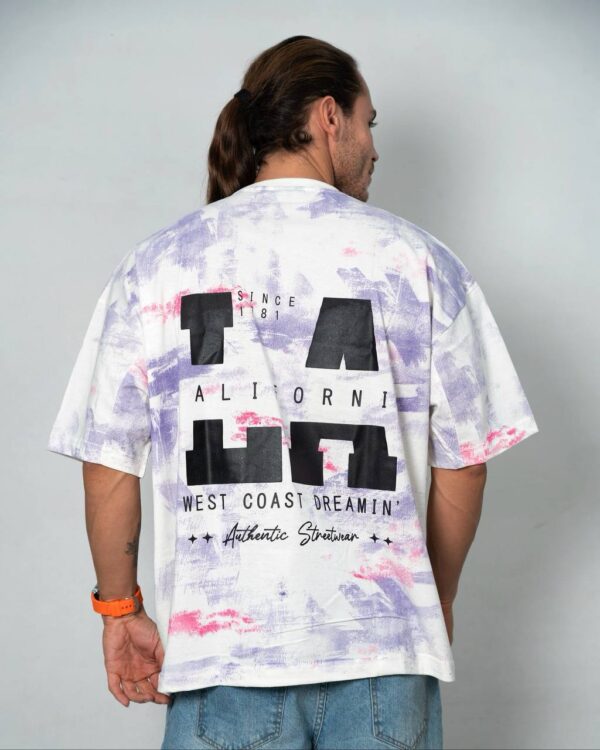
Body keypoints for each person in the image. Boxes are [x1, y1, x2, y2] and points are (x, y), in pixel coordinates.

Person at [47, 35, 539, 750]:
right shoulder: (422, 262)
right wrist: (430, 600)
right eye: (370, 122)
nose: (375, 147)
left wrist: (119, 610)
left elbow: (109, 461)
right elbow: (465, 463)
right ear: (330, 116)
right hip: (383, 656)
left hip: (223, 659)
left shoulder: (157, 266)